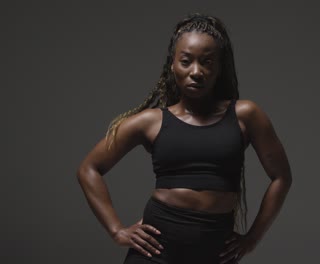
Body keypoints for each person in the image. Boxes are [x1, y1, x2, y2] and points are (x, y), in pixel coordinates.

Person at [76, 13, 292, 264]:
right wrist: (116, 230)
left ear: (219, 67)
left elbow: (282, 177)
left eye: (207, 62)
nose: (196, 72)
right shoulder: (151, 121)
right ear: (173, 65)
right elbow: (88, 169)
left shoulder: (246, 115)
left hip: (216, 253)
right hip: (156, 251)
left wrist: (252, 239)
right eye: (186, 61)